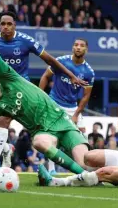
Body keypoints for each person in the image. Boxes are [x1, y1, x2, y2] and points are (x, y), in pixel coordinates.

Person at [0, 33, 89, 175]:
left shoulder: (7, 77)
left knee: (87, 162)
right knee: (39, 142)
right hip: (43, 132)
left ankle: (97, 170)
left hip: (60, 120)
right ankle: (81, 175)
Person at [39, 38, 95, 174]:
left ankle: (84, 168)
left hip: (72, 107)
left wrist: (76, 114)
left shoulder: (88, 72)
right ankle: (52, 170)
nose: (78, 48)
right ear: (72, 48)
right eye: (76, 45)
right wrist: (41, 97)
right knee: (52, 137)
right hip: (54, 103)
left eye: (81, 46)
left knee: (82, 136)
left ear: (86, 49)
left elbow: (86, 96)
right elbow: (45, 77)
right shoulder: (61, 61)